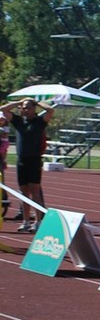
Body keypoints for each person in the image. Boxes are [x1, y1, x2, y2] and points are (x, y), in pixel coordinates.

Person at [0, 97, 54, 232]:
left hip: (34, 160)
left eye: (29, 107)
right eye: (24, 108)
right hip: (21, 160)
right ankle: (25, 221)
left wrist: (36, 103)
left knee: (35, 191)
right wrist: (19, 102)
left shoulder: (39, 122)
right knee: (23, 193)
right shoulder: (18, 121)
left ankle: (38, 221)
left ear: (34, 109)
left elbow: (50, 110)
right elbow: (2, 109)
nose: (26, 110)